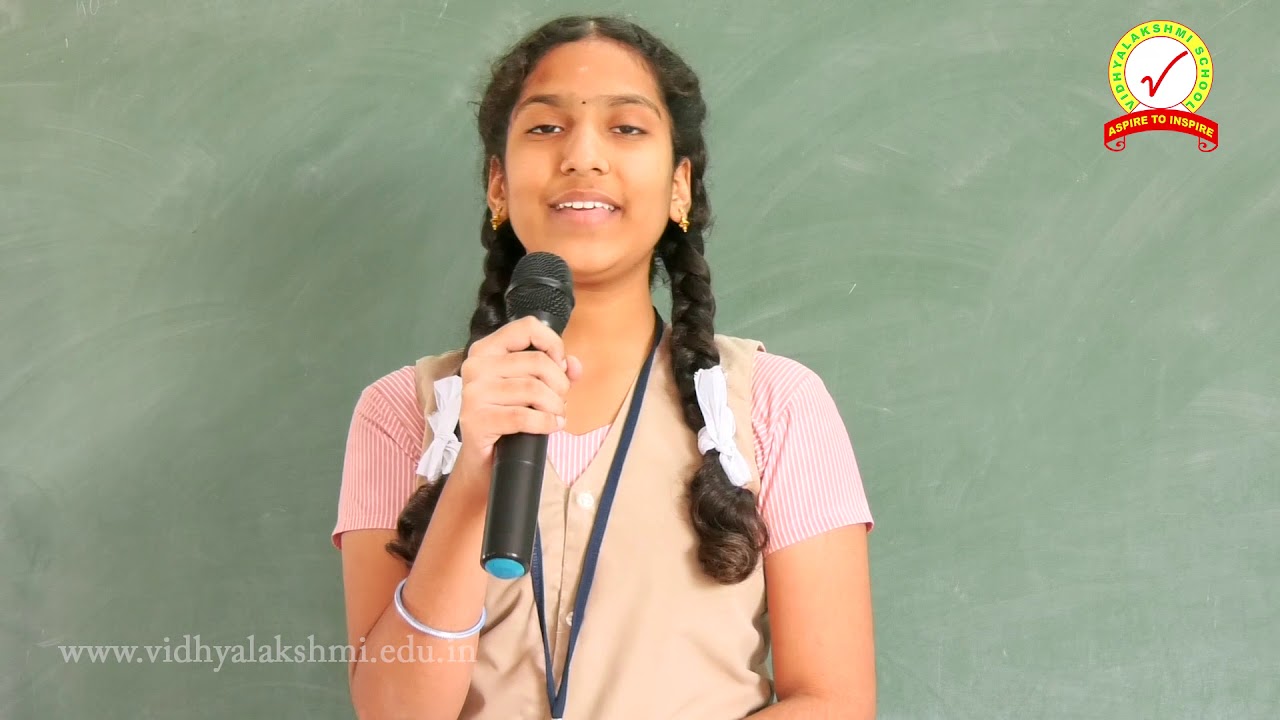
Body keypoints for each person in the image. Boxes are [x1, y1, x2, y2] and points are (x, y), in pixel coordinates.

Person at [332, 14, 876, 720]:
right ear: (498, 185)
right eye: (545, 128)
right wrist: (470, 476)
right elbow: (393, 713)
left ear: (679, 186)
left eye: (626, 128)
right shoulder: (402, 412)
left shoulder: (777, 404)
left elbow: (832, 702)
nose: (583, 156)